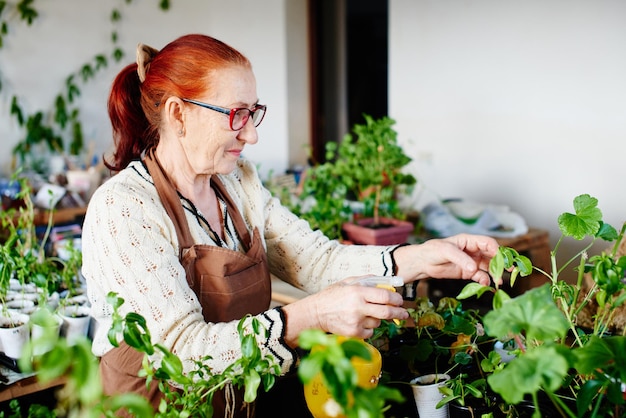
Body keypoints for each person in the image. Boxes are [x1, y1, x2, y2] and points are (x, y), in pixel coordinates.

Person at [81, 33, 500, 417]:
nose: (251, 135)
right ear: (178, 114)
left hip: (239, 401)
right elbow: (184, 355)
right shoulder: (124, 209)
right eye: (236, 115)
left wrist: (421, 258)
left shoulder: (236, 182)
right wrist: (314, 315)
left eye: (253, 113)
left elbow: (316, 260)